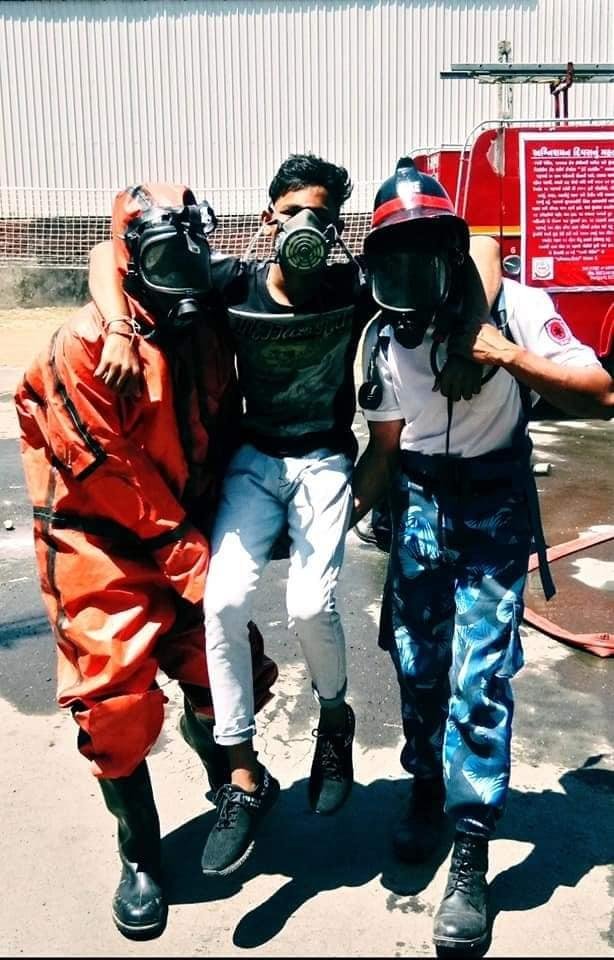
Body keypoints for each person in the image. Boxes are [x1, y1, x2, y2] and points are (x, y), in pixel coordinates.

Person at [87, 153, 502, 879]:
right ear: (267, 218)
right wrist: (120, 329)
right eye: (291, 212)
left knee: (311, 604)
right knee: (222, 603)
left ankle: (334, 720)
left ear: (337, 228)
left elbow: (484, 248)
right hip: (253, 460)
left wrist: (473, 322)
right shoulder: (232, 283)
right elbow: (105, 252)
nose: (305, 226)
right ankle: (241, 772)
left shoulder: (352, 286)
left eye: (321, 215)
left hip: (323, 458)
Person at [351, 157, 614, 956]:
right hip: (419, 510)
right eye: (393, 257)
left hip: (493, 508)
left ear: (449, 250)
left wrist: (507, 355)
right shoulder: (382, 335)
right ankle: (427, 786)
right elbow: (384, 450)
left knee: (479, 679)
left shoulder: (514, 307)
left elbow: (600, 393)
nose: (408, 274)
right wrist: (333, 522)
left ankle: (471, 845)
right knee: (416, 664)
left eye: (423, 252)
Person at [14, 183, 277, 941]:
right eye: (163, 258)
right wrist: (191, 559)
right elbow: (106, 467)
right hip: (98, 538)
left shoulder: (209, 329)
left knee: (220, 669)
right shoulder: (85, 346)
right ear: (132, 261)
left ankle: (229, 781)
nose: (182, 273)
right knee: (116, 708)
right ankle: (139, 853)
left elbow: (224, 427)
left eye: (192, 253)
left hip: (185, 521)